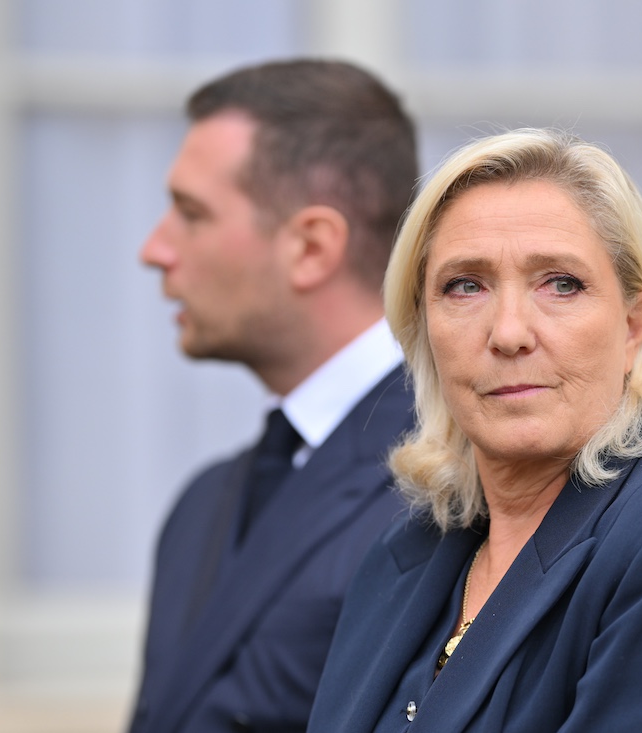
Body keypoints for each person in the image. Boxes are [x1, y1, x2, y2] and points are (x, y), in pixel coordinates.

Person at [307, 128, 642, 732]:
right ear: (425, 331)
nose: (509, 332)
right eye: (465, 286)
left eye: (561, 283)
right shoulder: (398, 558)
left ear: (634, 326)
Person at [128, 59, 419, 733]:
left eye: (191, 214)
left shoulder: (449, 487)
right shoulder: (204, 505)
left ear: (312, 247)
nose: (154, 249)